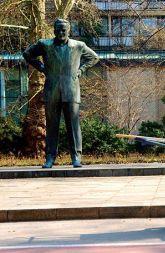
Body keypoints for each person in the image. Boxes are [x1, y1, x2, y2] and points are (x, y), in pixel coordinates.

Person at [23, 19, 99, 168]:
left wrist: (81, 70)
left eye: (64, 30)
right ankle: (50, 158)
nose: (61, 32)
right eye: (58, 29)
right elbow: (27, 54)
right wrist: (41, 67)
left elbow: (94, 57)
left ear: (69, 30)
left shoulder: (78, 46)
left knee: (74, 126)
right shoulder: (44, 45)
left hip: (71, 90)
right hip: (52, 90)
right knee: (52, 126)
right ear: (54, 30)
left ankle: (76, 157)